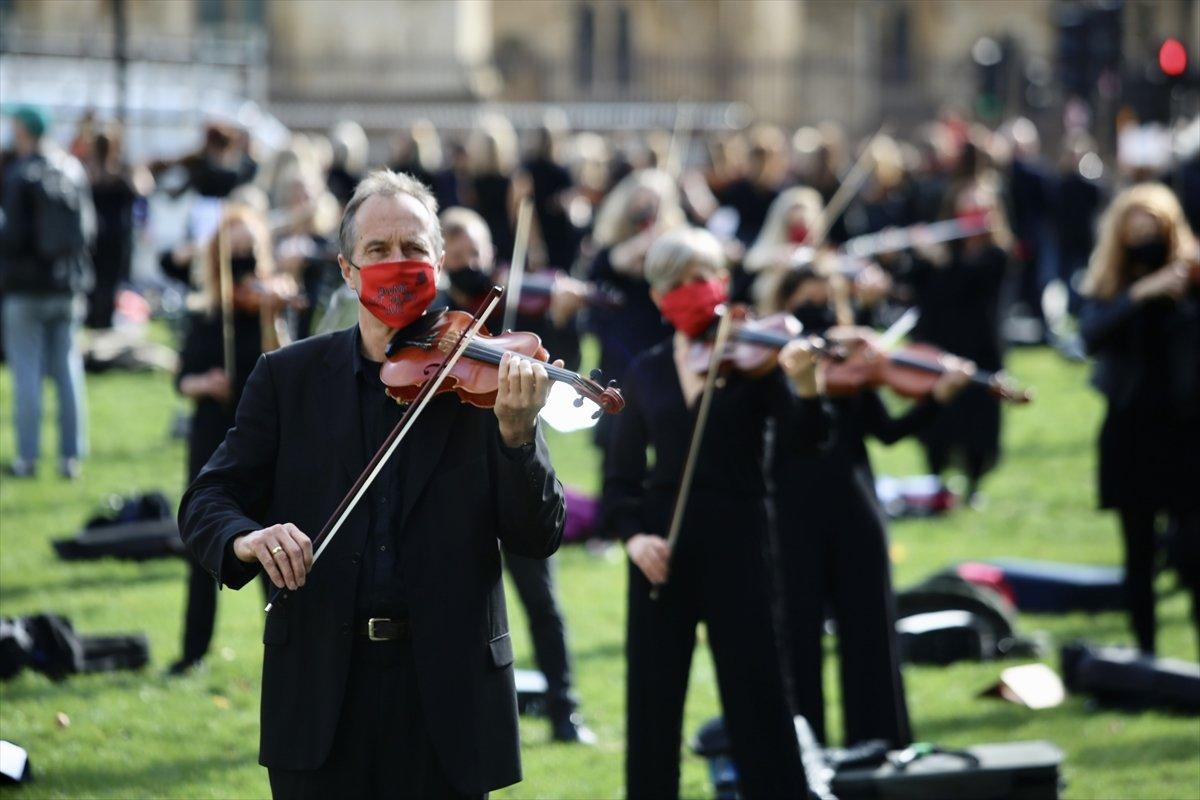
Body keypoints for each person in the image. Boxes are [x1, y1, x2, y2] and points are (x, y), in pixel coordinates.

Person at [178, 169, 566, 798]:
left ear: (439, 261)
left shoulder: (485, 380)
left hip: (449, 696)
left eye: (414, 248)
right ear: (347, 270)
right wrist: (248, 539)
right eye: (378, 251)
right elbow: (207, 500)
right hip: (321, 690)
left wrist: (518, 436)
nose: (397, 263)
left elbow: (537, 534)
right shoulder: (287, 378)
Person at [603, 227, 828, 799]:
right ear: (656, 298)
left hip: (740, 541)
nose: (690, 291)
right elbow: (620, 478)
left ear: (723, 282)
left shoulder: (754, 359)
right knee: (653, 706)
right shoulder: (647, 370)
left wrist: (805, 387)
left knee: (758, 696)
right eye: (675, 283)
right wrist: (634, 540)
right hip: (661, 548)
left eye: (701, 278)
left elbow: (807, 443)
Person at [764, 265, 974, 748]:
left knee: (870, 628)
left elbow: (885, 431)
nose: (817, 316)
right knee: (796, 634)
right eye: (805, 302)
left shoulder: (857, 362)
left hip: (854, 505)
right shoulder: (770, 363)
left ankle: (880, 744)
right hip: (791, 512)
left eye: (826, 301)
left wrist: (937, 400)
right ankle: (803, 747)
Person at [435, 205, 594, 743]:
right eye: (453, 259)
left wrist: (564, 321)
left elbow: (563, 373)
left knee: (540, 596)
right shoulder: (430, 322)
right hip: (455, 476)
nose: (466, 267)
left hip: (516, 460)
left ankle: (565, 710)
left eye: (473, 255)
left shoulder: (518, 314)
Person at [1079, 183, 1200, 657]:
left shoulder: (1190, 276)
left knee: (1194, 551)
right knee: (1138, 553)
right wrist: (1141, 294)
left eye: (1153, 226)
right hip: (1132, 431)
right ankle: (1147, 657)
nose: (1144, 235)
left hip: (1188, 431)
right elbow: (1090, 334)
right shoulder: (1111, 283)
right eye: (1135, 227)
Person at [170, 204, 282, 674]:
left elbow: (284, 367)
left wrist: (272, 316)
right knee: (203, 543)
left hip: (264, 440)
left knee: (274, 546)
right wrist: (205, 382)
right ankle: (193, 651)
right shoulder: (205, 311)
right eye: (233, 252)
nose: (243, 263)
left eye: (250, 252)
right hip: (212, 433)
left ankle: (285, 642)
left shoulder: (265, 307)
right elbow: (181, 379)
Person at [903, 178, 1013, 503]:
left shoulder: (997, 255)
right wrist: (916, 255)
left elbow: (967, 284)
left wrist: (941, 261)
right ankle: (936, 478)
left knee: (978, 421)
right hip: (937, 346)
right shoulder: (942, 249)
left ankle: (974, 481)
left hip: (979, 348)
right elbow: (918, 289)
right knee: (937, 418)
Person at [0, 105, 94, 480]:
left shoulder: (21, 172)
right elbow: (89, 230)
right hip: (67, 286)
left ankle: (26, 458)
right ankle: (71, 458)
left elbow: (14, 237)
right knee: (68, 370)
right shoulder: (72, 168)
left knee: (27, 374)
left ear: (23, 129)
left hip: (26, 289)